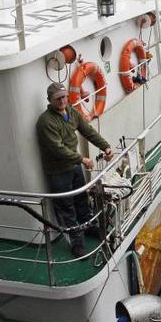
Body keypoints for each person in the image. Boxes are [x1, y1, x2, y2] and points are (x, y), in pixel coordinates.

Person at [36, 82, 114, 258]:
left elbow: (88, 131)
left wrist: (105, 147)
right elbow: (58, 149)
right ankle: (77, 244)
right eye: (58, 98)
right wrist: (83, 159)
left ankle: (88, 228)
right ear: (50, 100)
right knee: (67, 209)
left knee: (81, 200)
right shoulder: (45, 122)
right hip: (58, 171)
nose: (62, 101)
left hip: (75, 167)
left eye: (64, 97)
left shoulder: (71, 112)